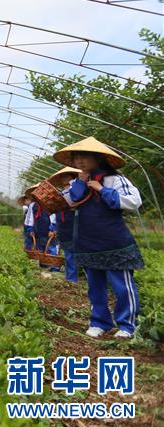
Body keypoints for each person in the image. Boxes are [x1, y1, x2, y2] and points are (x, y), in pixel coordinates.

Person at [55, 137, 144, 339]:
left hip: (114, 242)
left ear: (99, 158)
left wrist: (102, 190)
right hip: (88, 242)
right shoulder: (76, 184)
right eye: (76, 157)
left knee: (122, 286)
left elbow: (133, 202)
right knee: (95, 287)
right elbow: (66, 203)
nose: (79, 161)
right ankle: (99, 322)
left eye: (84, 156)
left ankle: (127, 325)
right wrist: (80, 183)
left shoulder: (115, 180)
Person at [47, 166, 82, 282]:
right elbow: (56, 213)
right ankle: (70, 278)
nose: (63, 179)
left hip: (73, 224)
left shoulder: (76, 190)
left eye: (65, 176)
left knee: (74, 252)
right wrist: (55, 227)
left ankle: (74, 277)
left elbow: (74, 201)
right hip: (63, 225)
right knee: (68, 253)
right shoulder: (62, 193)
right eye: (62, 177)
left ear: (72, 177)